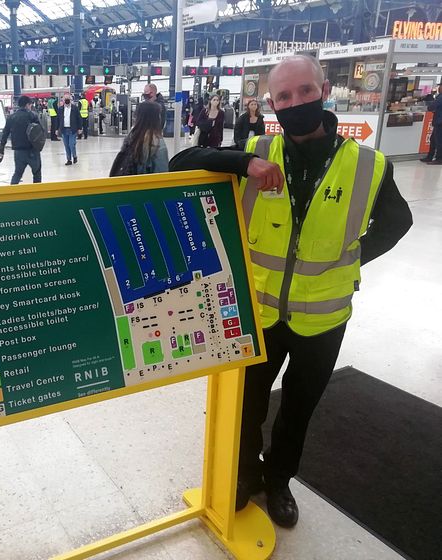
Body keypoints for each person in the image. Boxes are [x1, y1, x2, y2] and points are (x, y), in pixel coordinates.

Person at [169, 54, 412, 528]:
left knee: (298, 409)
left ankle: (279, 479)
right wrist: (245, 164)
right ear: (272, 104)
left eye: (304, 91)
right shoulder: (260, 148)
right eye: (283, 96)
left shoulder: (367, 164)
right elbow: (183, 159)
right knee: (247, 406)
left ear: (322, 90)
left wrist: (350, 259)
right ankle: (245, 474)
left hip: (323, 317)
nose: (295, 102)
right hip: (258, 311)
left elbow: (398, 221)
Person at [109, 101, 168, 176]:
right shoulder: (157, 144)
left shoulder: (131, 137)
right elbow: (162, 175)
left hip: (127, 184)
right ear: (156, 118)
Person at [0, 95, 42, 185]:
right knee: (37, 173)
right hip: (32, 151)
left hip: (19, 152)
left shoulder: (11, 117)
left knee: (17, 174)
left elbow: (5, 134)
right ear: (27, 105)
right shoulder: (33, 116)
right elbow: (40, 131)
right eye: (30, 105)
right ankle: (37, 195)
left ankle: (11, 194)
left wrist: (1, 149)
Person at [56, 93, 82, 165]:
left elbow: (79, 118)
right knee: (66, 145)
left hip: (72, 129)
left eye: (68, 99)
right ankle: (69, 160)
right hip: (64, 129)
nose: (67, 100)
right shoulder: (60, 109)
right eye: (65, 99)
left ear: (71, 100)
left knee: (71, 144)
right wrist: (56, 129)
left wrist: (80, 128)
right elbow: (58, 119)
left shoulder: (75, 108)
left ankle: (74, 156)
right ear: (63, 100)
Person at [422, 84, 442, 164]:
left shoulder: (440, 97)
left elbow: (432, 106)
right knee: (433, 140)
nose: (438, 88)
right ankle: (430, 156)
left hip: (439, 122)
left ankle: (439, 159)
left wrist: (430, 108)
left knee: (438, 141)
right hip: (439, 121)